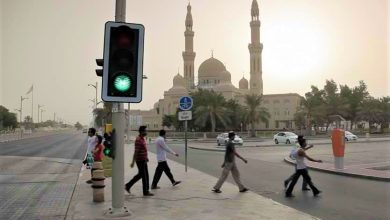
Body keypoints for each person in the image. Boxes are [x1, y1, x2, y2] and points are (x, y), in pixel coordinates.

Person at [125, 126, 154, 196]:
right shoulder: (138, 140)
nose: (146, 132)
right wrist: (133, 162)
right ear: (141, 132)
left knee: (145, 175)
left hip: (144, 160)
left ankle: (128, 186)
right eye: (145, 131)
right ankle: (145, 191)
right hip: (140, 161)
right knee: (143, 175)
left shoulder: (142, 139)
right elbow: (136, 152)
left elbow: (143, 149)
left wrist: (146, 157)